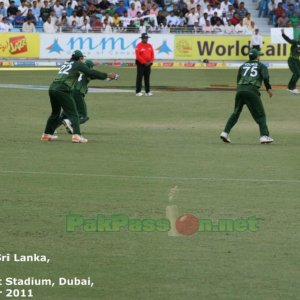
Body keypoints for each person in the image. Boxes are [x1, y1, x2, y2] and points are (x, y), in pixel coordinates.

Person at [41, 50, 119, 143]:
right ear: (80, 58)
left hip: (52, 88)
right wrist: (107, 75)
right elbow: (91, 73)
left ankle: (46, 134)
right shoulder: (78, 64)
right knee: (74, 113)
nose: (83, 60)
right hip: (62, 89)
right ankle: (77, 136)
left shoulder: (66, 63)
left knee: (55, 113)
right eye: (82, 58)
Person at [220, 48, 274, 144]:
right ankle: (264, 136)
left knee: (236, 112)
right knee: (260, 115)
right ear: (257, 57)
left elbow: (238, 80)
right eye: (259, 55)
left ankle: (225, 132)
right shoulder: (261, 66)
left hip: (240, 90)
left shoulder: (242, 66)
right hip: (252, 91)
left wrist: (241, 89)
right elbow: (265, 77)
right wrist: (268, 88)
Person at [281, 28, 300, 94]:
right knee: (297, 73)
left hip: (297, 61)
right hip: (292, 60)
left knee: (297, 74)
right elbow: (288, 39)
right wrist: (283, 34)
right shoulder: (295, 42)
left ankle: (290, 87)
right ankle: (292, 88)